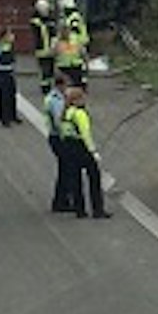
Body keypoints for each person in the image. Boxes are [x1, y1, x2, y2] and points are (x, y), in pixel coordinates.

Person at [58, 85, 110, 219]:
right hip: (81, 147)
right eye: (82, 97)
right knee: (94, 177)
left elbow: (62, 132)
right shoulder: (80, 114)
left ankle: (79, 210)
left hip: (69, 147)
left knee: (76, 179)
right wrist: (93, 151)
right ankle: (97, 209)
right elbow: (86, 134)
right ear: (76, 100)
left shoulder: (66, 113)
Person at [44, 82, 74, 214]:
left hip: (55, 137)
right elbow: (58, 121)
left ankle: (62, 200)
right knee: (67, 169)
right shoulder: (56, 100)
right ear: (60, 85)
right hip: (59, 138)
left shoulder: (53, 97)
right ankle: (61, 201)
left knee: (65, 169)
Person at [0, 29, 19, 125]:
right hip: (1, 73)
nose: (11, 37)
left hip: (9, 72)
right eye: (8, 35)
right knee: (4, 96)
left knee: (12, 94)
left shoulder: (9, 46)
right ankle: (4, 118)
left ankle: (13, 116)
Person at [59, 0, 90, 89]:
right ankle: (82, 82)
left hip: (78, 42)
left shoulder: (73, 18)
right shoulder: (74, 16)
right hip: (79, 41)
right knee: (82, 64)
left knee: (81, 64)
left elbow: (74, 30)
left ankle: (82, 83)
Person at [30, 0, 59, 96]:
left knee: (50, 70)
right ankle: (45, 88)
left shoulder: (49, 21)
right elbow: (42, 32)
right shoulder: (36, 22)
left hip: (51, 49)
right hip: (42, 50)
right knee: (45, 70)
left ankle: (49, 87)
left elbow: (53, 33)